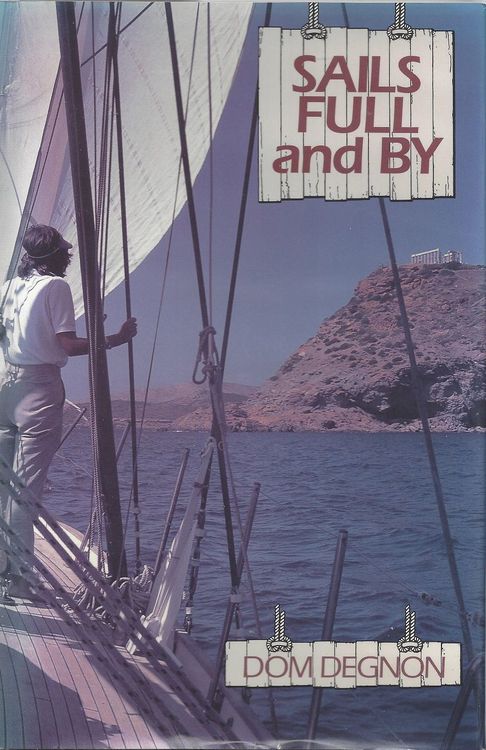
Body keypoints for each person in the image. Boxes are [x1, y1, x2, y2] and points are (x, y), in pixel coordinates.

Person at [0, 224, 137, 601]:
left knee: (3, 487)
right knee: (23, 491)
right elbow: (68, 346)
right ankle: (19, 579)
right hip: (39, 391)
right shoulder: (56, 287)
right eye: (64, 251)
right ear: (53, 255)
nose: (68, 256)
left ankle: (4, 571)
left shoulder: (9, 287)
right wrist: (116, 339)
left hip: (6, 391)